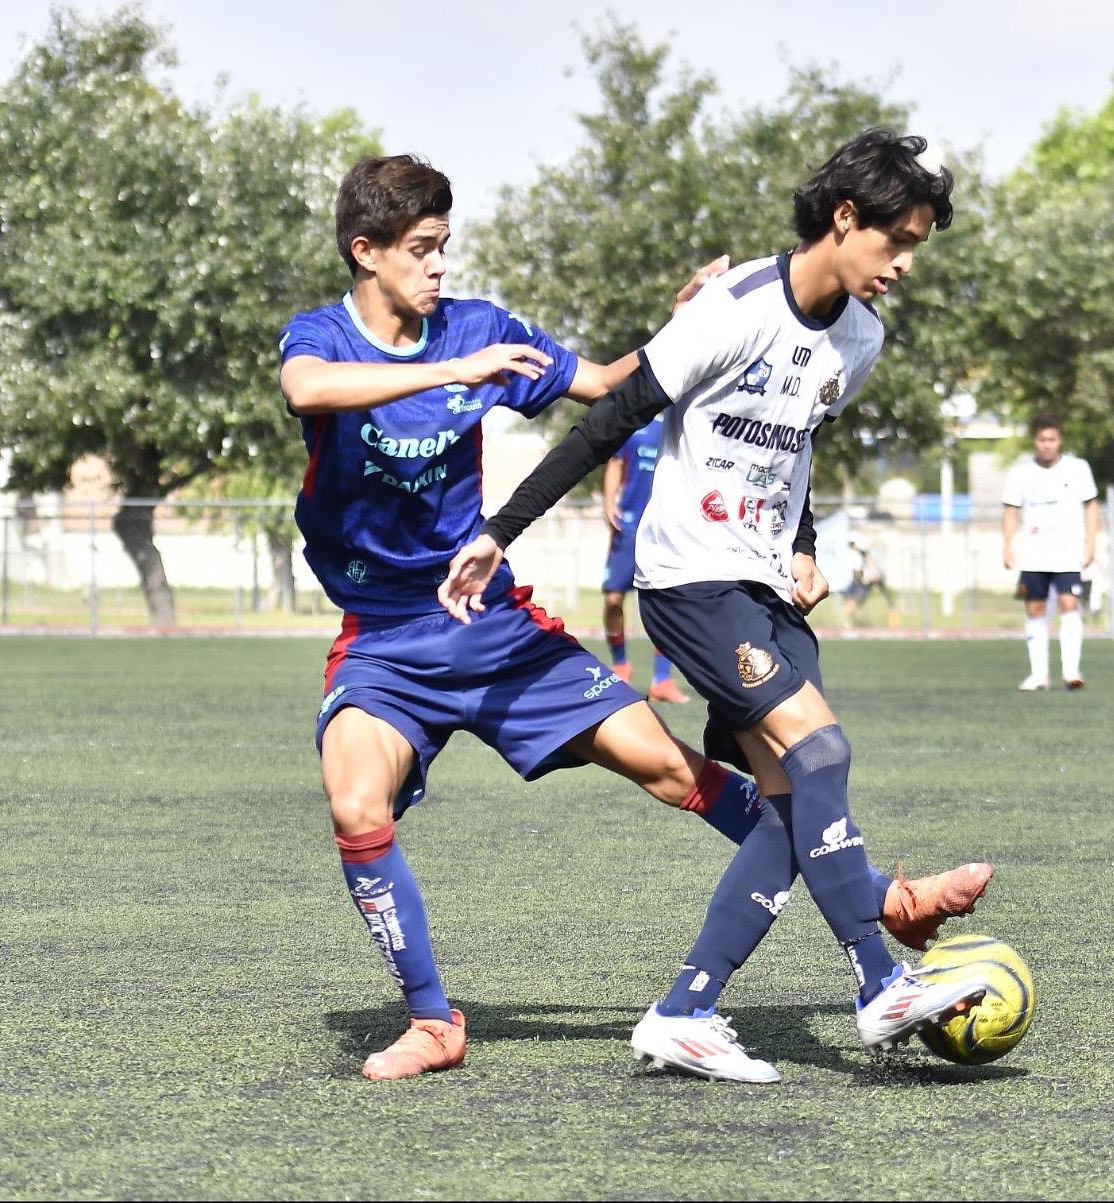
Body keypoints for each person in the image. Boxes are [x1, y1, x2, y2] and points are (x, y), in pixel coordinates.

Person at [277, 154, 991, 1080]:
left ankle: (878, 902)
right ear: (363, 251)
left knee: (673, 768)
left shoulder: (486, 326)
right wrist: (458, 368)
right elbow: (308, 389)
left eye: (445, 248)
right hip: (383, 635)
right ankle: (433, 1023)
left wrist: (683, 323)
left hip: (493, 629)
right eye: (420, 251)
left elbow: (616, 386)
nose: (439, 267)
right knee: (355, 803)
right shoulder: (327, 333)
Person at [1001, 412, 1100, 691]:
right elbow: (1011, 511)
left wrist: (1090, 543)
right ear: (1034, 440)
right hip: (1034, 553)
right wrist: (1007, 546)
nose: (1047, 444)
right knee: (1035, 608)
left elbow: (1092, 505)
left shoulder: (1078, 468)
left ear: (1060, 440)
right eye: (1042, 439)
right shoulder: (1021, 473)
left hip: (1068, 552)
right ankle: (1039, 674)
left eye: (1052, 439)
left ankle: (1071, 671)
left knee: (1069, 604)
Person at [601, 414, 690, 703]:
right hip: (628, 526)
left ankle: (662, 680)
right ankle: (621, 665)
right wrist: (608, 501)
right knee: (613, 599)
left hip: (665, 528)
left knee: (665, 603)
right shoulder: (635, 418)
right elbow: (615, 462)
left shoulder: (680, 420)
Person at [840, 534, 890, 625]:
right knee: (852, 602)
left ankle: (848, 619)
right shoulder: (855, 555)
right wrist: (862, 580)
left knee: (851, 602)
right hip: (855, 582)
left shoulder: (849, 553)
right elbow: (858, 570)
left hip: (849, 581)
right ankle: (845, 620)